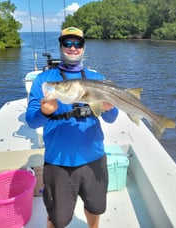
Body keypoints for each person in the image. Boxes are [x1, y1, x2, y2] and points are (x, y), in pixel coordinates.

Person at [26, 27, 119, 228]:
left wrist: (109, 109)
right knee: (58, 218)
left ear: (83, 48)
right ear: (60, 47)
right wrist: (45, 112)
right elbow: (32, 121)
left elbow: (112, 118)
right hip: (58, 161)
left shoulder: (97, 77)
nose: (73, 48)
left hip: (94, 157)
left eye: (78, 44)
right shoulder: (44, 81)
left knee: (95, 207)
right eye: (67, 43)